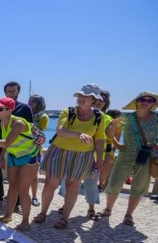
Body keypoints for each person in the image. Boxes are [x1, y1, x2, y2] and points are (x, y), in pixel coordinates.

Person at [34, 84, 105, 229]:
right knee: (50, 185)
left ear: (93, 99)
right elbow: (60, 131)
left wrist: (99, 159)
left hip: (83, 155)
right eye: (80, 95)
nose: (81, 98)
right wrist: (78, 135)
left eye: (86, 96)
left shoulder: (99, 116)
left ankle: (65, 218)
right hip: (59, 151)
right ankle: (43, 213)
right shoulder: (68, 111)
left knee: (73, 187)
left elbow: (99, 139)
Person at [101, 92, 157, 227]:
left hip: (146, 157)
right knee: (114, 184)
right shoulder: (126, 117)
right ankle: (108, 209)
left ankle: (129, 214)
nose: (145, 102)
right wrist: (118, 144)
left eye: (150, 100)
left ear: (153, 104)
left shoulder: (156, 119)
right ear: (136, 102)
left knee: (138, 187)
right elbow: (109, 135)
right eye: (142, 99)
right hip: (126, 155)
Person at [0, 97, 40, 231]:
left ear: (9, 110)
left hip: (29, 157)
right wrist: (2, 155)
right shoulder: (2, 123)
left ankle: (25, 222)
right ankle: (8, 215)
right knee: (12, 186)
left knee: (23, 190)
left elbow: (5, 142)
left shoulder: (18, 123)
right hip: (14, 156)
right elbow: (7, 141)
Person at [29, 94, 49, 206]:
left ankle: (34, 196)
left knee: (34, 174)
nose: (30, 103)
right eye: (30, 100)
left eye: (33, 101)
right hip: (23, 147)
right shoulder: (26, 113)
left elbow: (40, 131)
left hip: (35, 148)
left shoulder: (43, 117)